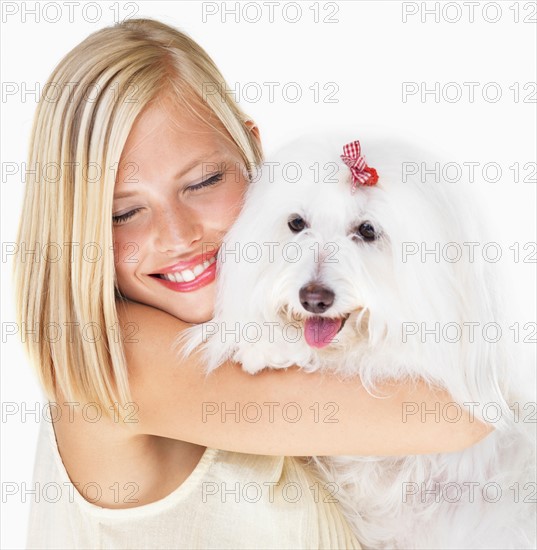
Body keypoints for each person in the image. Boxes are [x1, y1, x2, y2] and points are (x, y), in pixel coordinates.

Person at [14, 18, 491, 549]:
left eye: (204, 182)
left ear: (254, 153)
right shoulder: (121, 362)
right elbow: (462, 412)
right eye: (125, 212)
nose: (178, 236)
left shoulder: (282, 329)